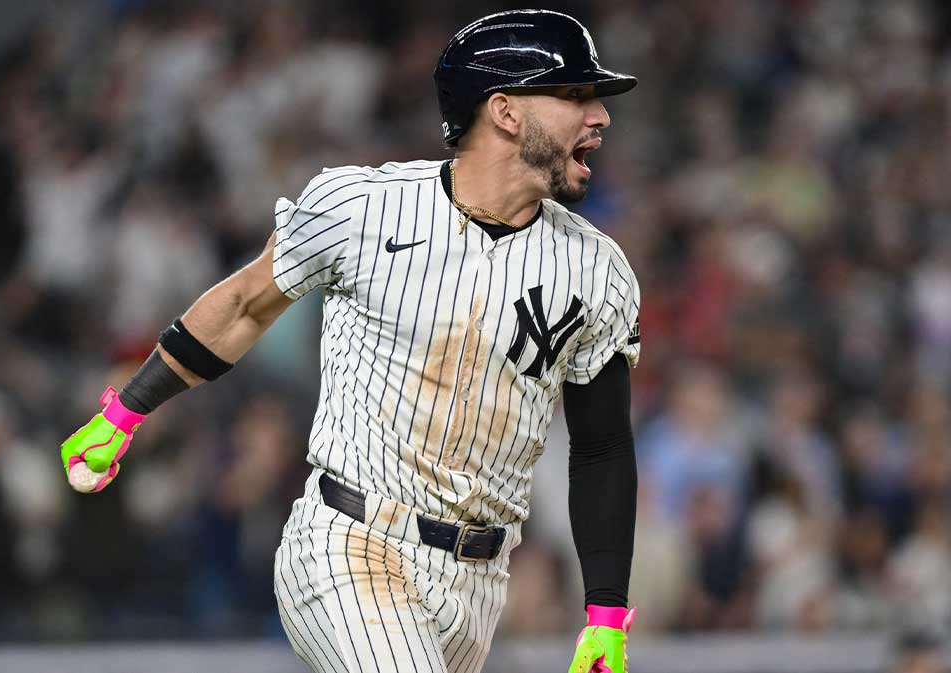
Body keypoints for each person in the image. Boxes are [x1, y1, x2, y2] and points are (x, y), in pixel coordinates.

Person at [61, 10, 641, 673]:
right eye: (574, 95)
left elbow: (601, 445)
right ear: (505, 111)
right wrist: (125, 410)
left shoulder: (597, 270)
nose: (599, 116)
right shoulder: (361, 207)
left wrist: (605, 611)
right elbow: (246, 305)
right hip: (349, 540)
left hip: (480, 580)